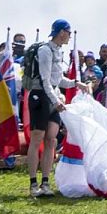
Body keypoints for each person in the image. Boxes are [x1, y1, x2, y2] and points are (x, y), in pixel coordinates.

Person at [21, 19, 80, 197]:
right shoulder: (45, 50)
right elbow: (45, 80)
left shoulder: (58, 51)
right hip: (40, 96)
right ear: (62, 32)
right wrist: (55, 101)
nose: (69, 36)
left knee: (52, 140)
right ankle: (33, 184)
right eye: (68, 32)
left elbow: (58, 79)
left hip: (53, 97)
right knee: (37, 137)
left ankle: (45, 182)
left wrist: (77, 83)